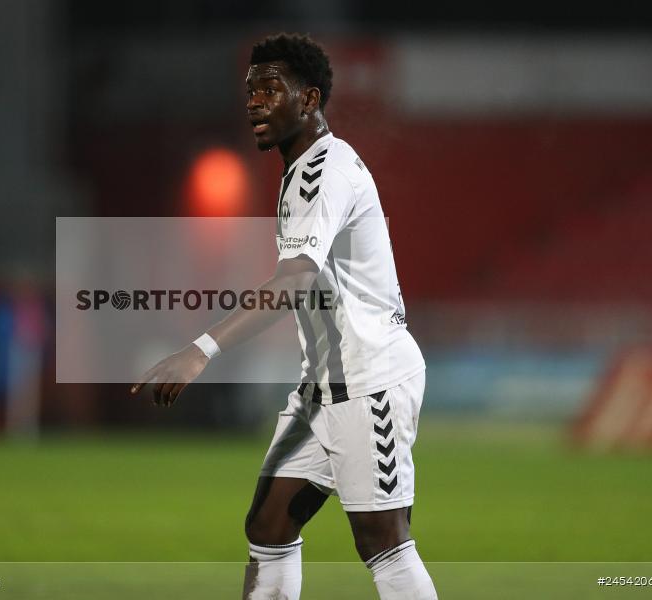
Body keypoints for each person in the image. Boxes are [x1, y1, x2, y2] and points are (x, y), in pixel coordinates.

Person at [132, 33, 437, 599]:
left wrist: (200, 350)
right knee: (269, 525)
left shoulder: (323, 171)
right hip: (323, 388)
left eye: (271, 90)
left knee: (384, 542)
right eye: (251, 91)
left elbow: (294, 281)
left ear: (310, 98)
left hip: (369, 382)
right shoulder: (303, 170)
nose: (254, 102)